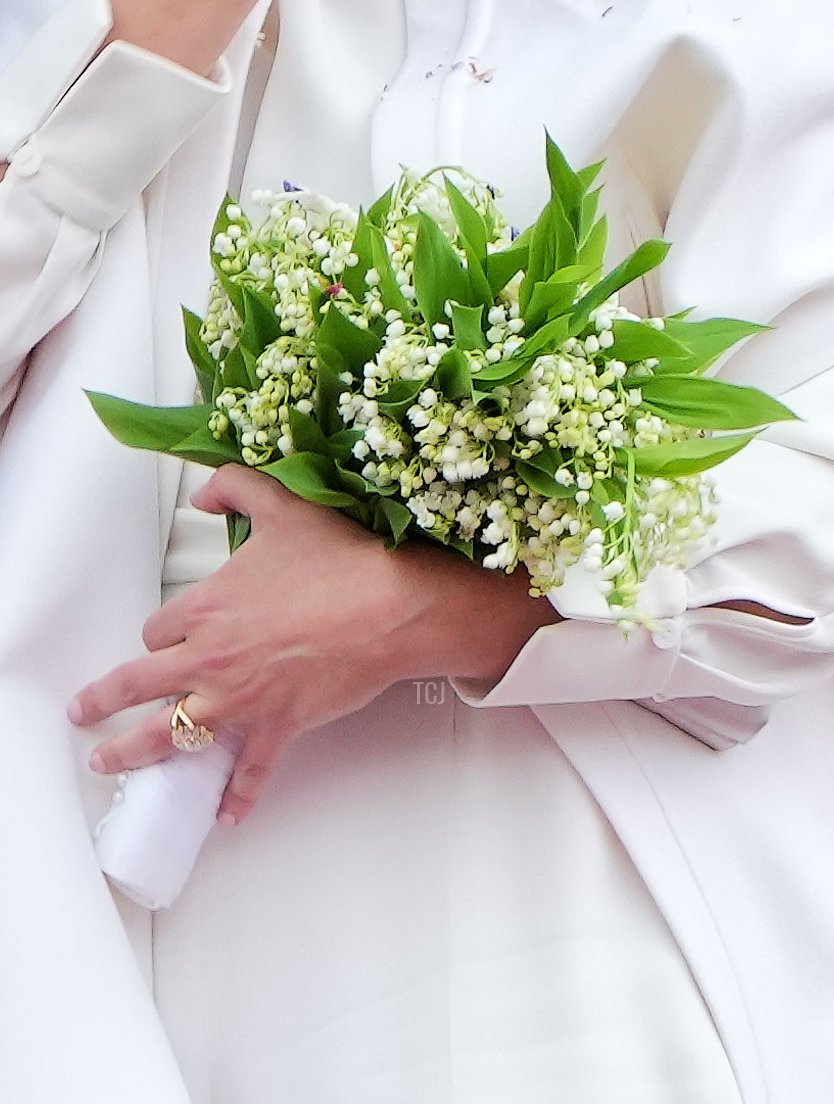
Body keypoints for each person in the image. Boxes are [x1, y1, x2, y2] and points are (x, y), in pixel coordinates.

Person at [1, 1, 833, 1101]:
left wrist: (419, 604)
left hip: (601, 944)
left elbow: (805, 512)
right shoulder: (133, 36)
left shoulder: (748, 35)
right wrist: (134, 63)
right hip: (166, 964)